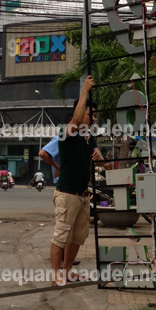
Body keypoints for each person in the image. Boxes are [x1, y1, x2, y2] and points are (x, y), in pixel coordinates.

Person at [50, 75, 104, 285]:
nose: (93, 118)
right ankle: (55, 275)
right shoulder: (67, 132)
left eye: (95, 115)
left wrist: (100, 157)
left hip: (83, 194)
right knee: (61, 236)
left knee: (78, 237)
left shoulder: (89, 138)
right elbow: (76, 119)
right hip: (67, 194)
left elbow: (102, 164)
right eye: (90, 114)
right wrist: (85, 91)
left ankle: (67, 271)